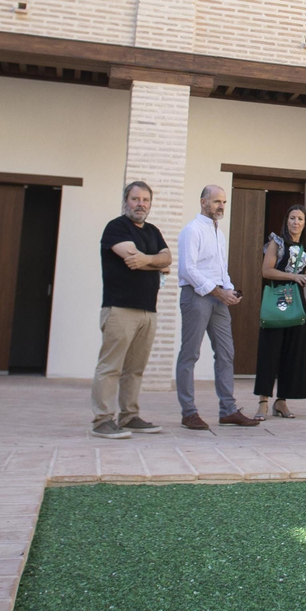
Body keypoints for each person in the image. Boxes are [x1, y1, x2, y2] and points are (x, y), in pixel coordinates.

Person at [91, 181, 170, 440]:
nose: (141, 204)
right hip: (120, 308)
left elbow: (167, 258)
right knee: (111, 366)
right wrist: (155, 263)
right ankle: (102, 419)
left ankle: (129, 416)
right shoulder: (116, 227)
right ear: (126, 201)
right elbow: (131, 258)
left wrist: (149, 261)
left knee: (135, 368)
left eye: (145, 200)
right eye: (136, 199)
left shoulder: (153, 231)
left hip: (148, 309)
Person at [176, 185, 257, 431]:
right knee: (190, 354)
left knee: (226, 353)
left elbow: (221, 270)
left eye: (224, 202)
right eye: (216, 202)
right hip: (197, 297)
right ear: (203, 202)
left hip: (219, 298)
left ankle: (228, 410)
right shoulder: (192, 230)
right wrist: (217, 290)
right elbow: (188, 269)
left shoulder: (219, 233)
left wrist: (229, 290)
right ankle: (189, 413)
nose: (221, 206)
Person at [254, 204, 306, 421]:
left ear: (305, 224)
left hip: (296, 302)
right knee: (269, 351)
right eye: (292, 218)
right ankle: (262, 401)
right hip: (276, 302)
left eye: (300, 219)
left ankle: (282, 401)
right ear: (286, 221)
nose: (296, 222)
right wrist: (293, 277)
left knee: (292, 353)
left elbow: (303, 275)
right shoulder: (275, 243)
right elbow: (266, 270)